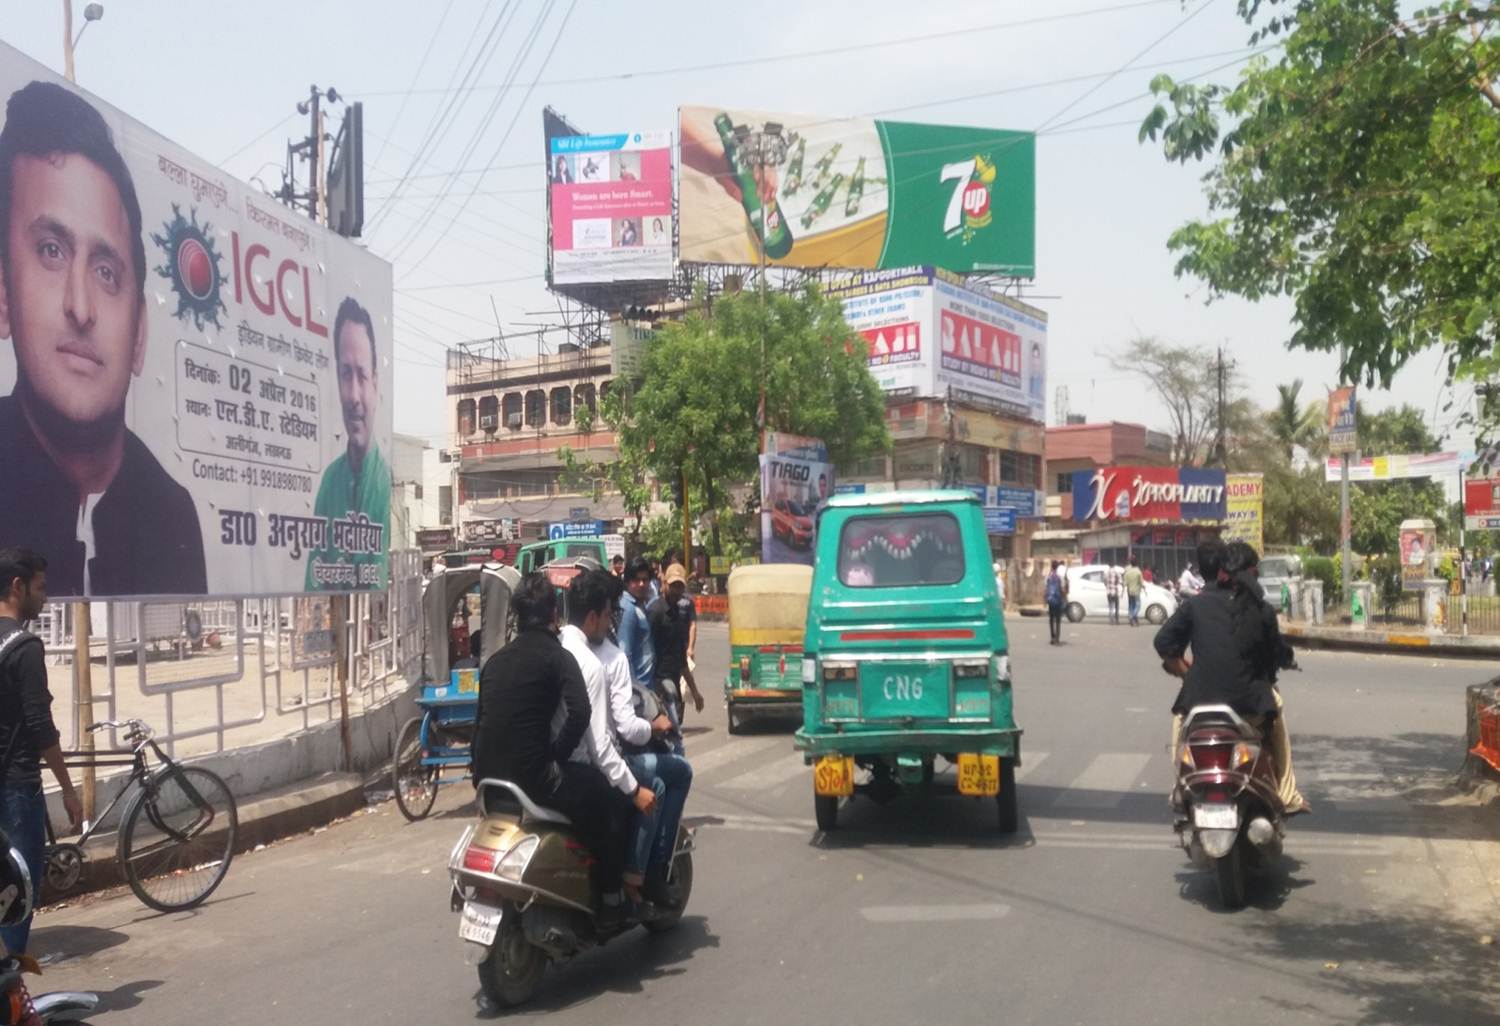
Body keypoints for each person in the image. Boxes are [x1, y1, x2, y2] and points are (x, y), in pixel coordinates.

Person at [0, 81, 206, 597]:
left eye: (107, 271)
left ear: (139, 333)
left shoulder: (172, 515)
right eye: (51, 249)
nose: (81, 306)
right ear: (4, 294)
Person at [471, 572, 632, 925]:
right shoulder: (559, 658)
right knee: (610, 803)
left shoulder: (494, 663)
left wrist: (477, 777)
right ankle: (610, 899)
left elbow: (479, 726)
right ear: (553, 616)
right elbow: (581, 713)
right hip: (536, 780)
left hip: (489, 786)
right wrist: (556, 757)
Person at [1154, 540, 1309, 816]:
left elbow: (1163, 641)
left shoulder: (1196, 605)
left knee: (1180, 724)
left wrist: (1184, 670)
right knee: (1278, 715)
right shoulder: (1260, 610)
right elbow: (1275, 652)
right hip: (1249, 707)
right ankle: (1287, 795)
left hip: (1200, 706)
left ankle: (1181, 787)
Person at [558, 571, 658, 910]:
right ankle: (613, 896)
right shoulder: (592, 664)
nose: (610, 623)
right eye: (606, 616)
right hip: (577, 766)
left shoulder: (555, 648)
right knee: (620, 807)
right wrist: (634, 790)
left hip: (544, 763)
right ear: (592, 618)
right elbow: (600, 746)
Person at [593, 571, 691, 906]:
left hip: (649, 696)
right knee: (675, 775)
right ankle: (650, 871)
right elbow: (621, 727)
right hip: (626, 729)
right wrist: (654, 725)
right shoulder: (611, 655)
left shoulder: (563, 649)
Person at [0, 549, 81, 955]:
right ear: (18, 587)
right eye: (41, 587)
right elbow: (40, 727)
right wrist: (68, 788)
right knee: (18, 893)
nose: (45, 598)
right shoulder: (26, 648)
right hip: (16, 788)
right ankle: (10, 994)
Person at [306, 297, 391, 592]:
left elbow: (375, 577)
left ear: (375, 384)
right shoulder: (330, 481)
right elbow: (312, 583)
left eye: (362, 375)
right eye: (345, 375)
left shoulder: (382, 481)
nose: (354, 395)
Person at [649, 564, 705, 753]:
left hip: (671, 688)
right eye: (673, 586)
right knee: (676, 744)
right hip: (657, 688)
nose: (676, 591)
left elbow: (681, 661)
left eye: (680, 586)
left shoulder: (678, 614)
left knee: (671, 744)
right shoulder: (655, 611)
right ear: (664, 584)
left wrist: (696, 693)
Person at [616, 556, 655, 688]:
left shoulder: (640, 605)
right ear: (627, 582)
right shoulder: (628, 608)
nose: (641, 584)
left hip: (647, 685)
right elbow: (625, 653)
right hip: (638, 688)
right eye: (636, 580)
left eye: (645, 580)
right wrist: (636, 692)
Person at [1044, 560, 1068, 645]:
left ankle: (1052, 637)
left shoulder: (1048, 576)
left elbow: (1046, 589)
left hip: (1050, 600)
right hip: (1058, 600)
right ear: (1057, 567)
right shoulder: (1059, 577)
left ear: (1051, 566)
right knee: (1058, 620)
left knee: (1051, 619)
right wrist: (1064, 597)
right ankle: (1057, 638)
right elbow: (1062, 589)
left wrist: (1045, 600)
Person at [1123, 556, 1145, 627]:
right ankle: (1132, 617)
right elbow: (1141, 582)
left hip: (1129, 590)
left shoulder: (1127, 570)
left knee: (1131, 605)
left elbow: (1125, 583)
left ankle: (1131, 618)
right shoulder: (1138, 571)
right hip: (1136, 591)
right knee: (1138, 605)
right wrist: (1143, 587)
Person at [1105, 560, 1124, 625]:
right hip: (1115, 592)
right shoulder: (1117, 573)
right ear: (1114, 565)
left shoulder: (1106, 573)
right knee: (1116, 607)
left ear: (1109, 565)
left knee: (1110, 607)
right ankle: (1117, 620)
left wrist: (1108, 586)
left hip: (1109, 592)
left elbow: (1104, 581)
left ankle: (1111, 620)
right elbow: (1121, 581)